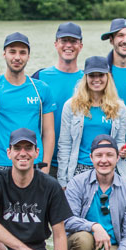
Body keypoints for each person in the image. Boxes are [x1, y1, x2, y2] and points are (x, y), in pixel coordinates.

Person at [0, 32, 55, 176]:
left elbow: (48, 132)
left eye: (22, 53)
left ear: (28, 57)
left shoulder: (41, 89)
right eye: (12, 52)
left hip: (34, 164)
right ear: (4, 54)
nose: (17, 57)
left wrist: (46, 167)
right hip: (1, 165)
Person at [57, 56, 126, 187]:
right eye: (92, 75)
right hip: (79, 169)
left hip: (108, 169)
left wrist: (123, 152)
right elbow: (65, 144)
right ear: (85, 78)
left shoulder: (119, 108)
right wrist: (63, 181)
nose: (96, 79)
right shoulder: (71, 106)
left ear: (107, 77)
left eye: (101, 75)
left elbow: (119, 141)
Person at [32, 22, 84, 179]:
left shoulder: (89, 80)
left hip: (75, 162)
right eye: (64, 41)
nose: (68, 45)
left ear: (80, 46)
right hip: (44, 161)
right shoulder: (39, 78)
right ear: (56, 44)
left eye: (73, 41)